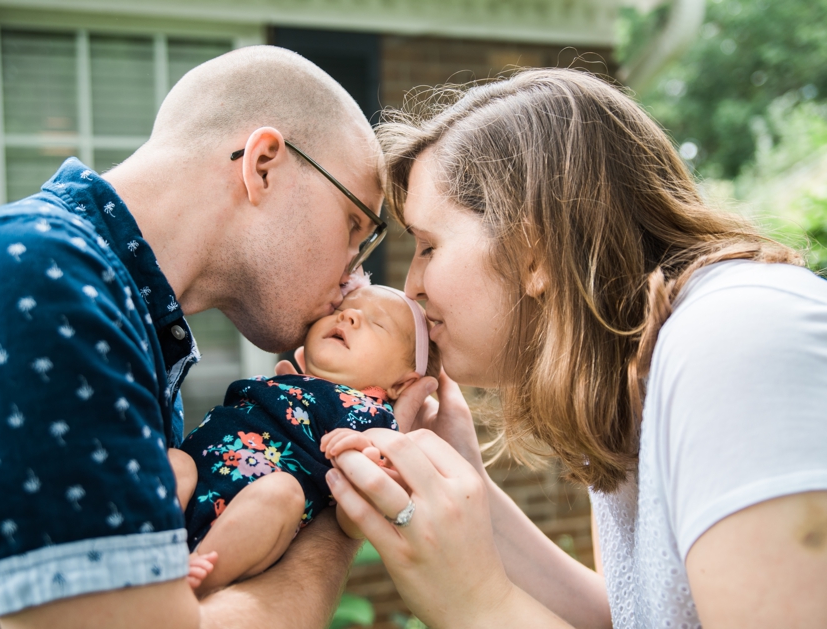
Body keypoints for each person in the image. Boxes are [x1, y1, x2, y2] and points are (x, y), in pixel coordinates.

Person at [0, 46, 425, 629]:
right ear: (264, 164)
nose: (351, 276)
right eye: (354, 228)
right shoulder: (38, 285)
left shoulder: (106, 304)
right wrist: (342, 505)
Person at [321, 68, 827, 628]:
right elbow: (637, 618)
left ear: (532, 250)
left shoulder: (737, 342)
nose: (411, 286)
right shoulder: (635, 381)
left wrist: (475, 605)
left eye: (428, 246)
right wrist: (468, 480)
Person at [168, 281, 439, 593]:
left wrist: (368, 458)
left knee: (284, 493)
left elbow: (353, 521)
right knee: (175, 462)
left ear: (401, 384)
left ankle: (196, 578)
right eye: (339, 309)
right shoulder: (286, 379)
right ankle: (152, 547)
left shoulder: (372, 419)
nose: (348, 315)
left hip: (251, 515)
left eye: (377, 323)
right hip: (194, 481)